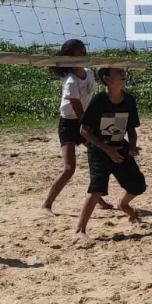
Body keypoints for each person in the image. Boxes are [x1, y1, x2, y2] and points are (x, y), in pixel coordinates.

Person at [74, 67, 145, 244]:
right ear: (107, 79)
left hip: (119, 147)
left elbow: (131, 129)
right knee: (97, 188)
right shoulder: (99, 101)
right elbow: (84, 131)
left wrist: (132, 146)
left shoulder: (129, 100)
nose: (123, 74)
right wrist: (107, 149)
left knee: (138, 185)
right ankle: (80, 230)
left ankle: (124, 205)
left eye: (123, 71)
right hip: (99, 150)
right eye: (118, 72)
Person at [42, 39, 111, 214]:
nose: (83, 55)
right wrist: (91, 128)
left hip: (85, 121)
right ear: (69, 58)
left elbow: (92, 102)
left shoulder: (88, 73)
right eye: (79, 53)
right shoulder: (71, 81)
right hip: (69, 124)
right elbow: (78, 110)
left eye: (84, 52)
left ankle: (97, 198)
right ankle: (47, 204)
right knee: (69, 169)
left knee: (97, 160)